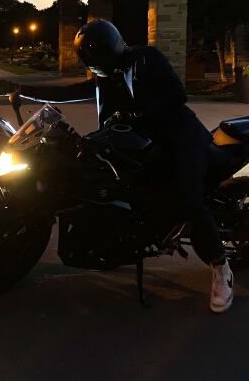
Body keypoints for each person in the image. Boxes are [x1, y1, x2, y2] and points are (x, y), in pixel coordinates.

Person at [15, 19, 233, 313]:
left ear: (114, 47)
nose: (96, 65)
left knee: (189, 201)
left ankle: (221, 267)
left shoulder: (146, 58)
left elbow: (176, 95)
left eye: (99, 57)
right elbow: (74, 91)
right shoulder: (107, 76)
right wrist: (24, 90)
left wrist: (137, 115)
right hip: (139, 144)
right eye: (91, 60)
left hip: (180, 140)